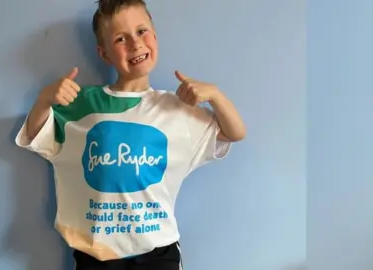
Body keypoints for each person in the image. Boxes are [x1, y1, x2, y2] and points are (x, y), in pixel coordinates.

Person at [15, 0, 246, 269]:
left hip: (158, 253)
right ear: (104, 54)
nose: (135, 44)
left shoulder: (177, 109)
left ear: (155, 36)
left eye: (141, 31)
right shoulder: (83, 104)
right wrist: (45, 99)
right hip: (97, 255)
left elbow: (233, 133)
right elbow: (36, 134)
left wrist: (216, 96)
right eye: (121, 38)